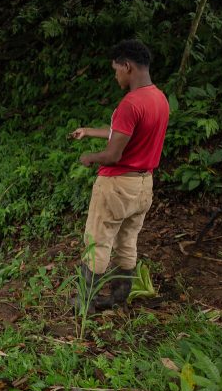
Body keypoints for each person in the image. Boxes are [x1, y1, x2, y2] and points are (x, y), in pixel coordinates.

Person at [69, 39, 169, 312]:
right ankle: (119, 297)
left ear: (127, 66)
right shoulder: (159, 98)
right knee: (127, 241)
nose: (115, 75)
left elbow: (113, 154)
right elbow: (125, 134)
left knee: (98, 241)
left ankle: (86, 302)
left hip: (117, 185)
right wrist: (88, 130)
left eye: (116, 69)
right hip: (143, 184)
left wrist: (90, 157)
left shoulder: (130, 103)